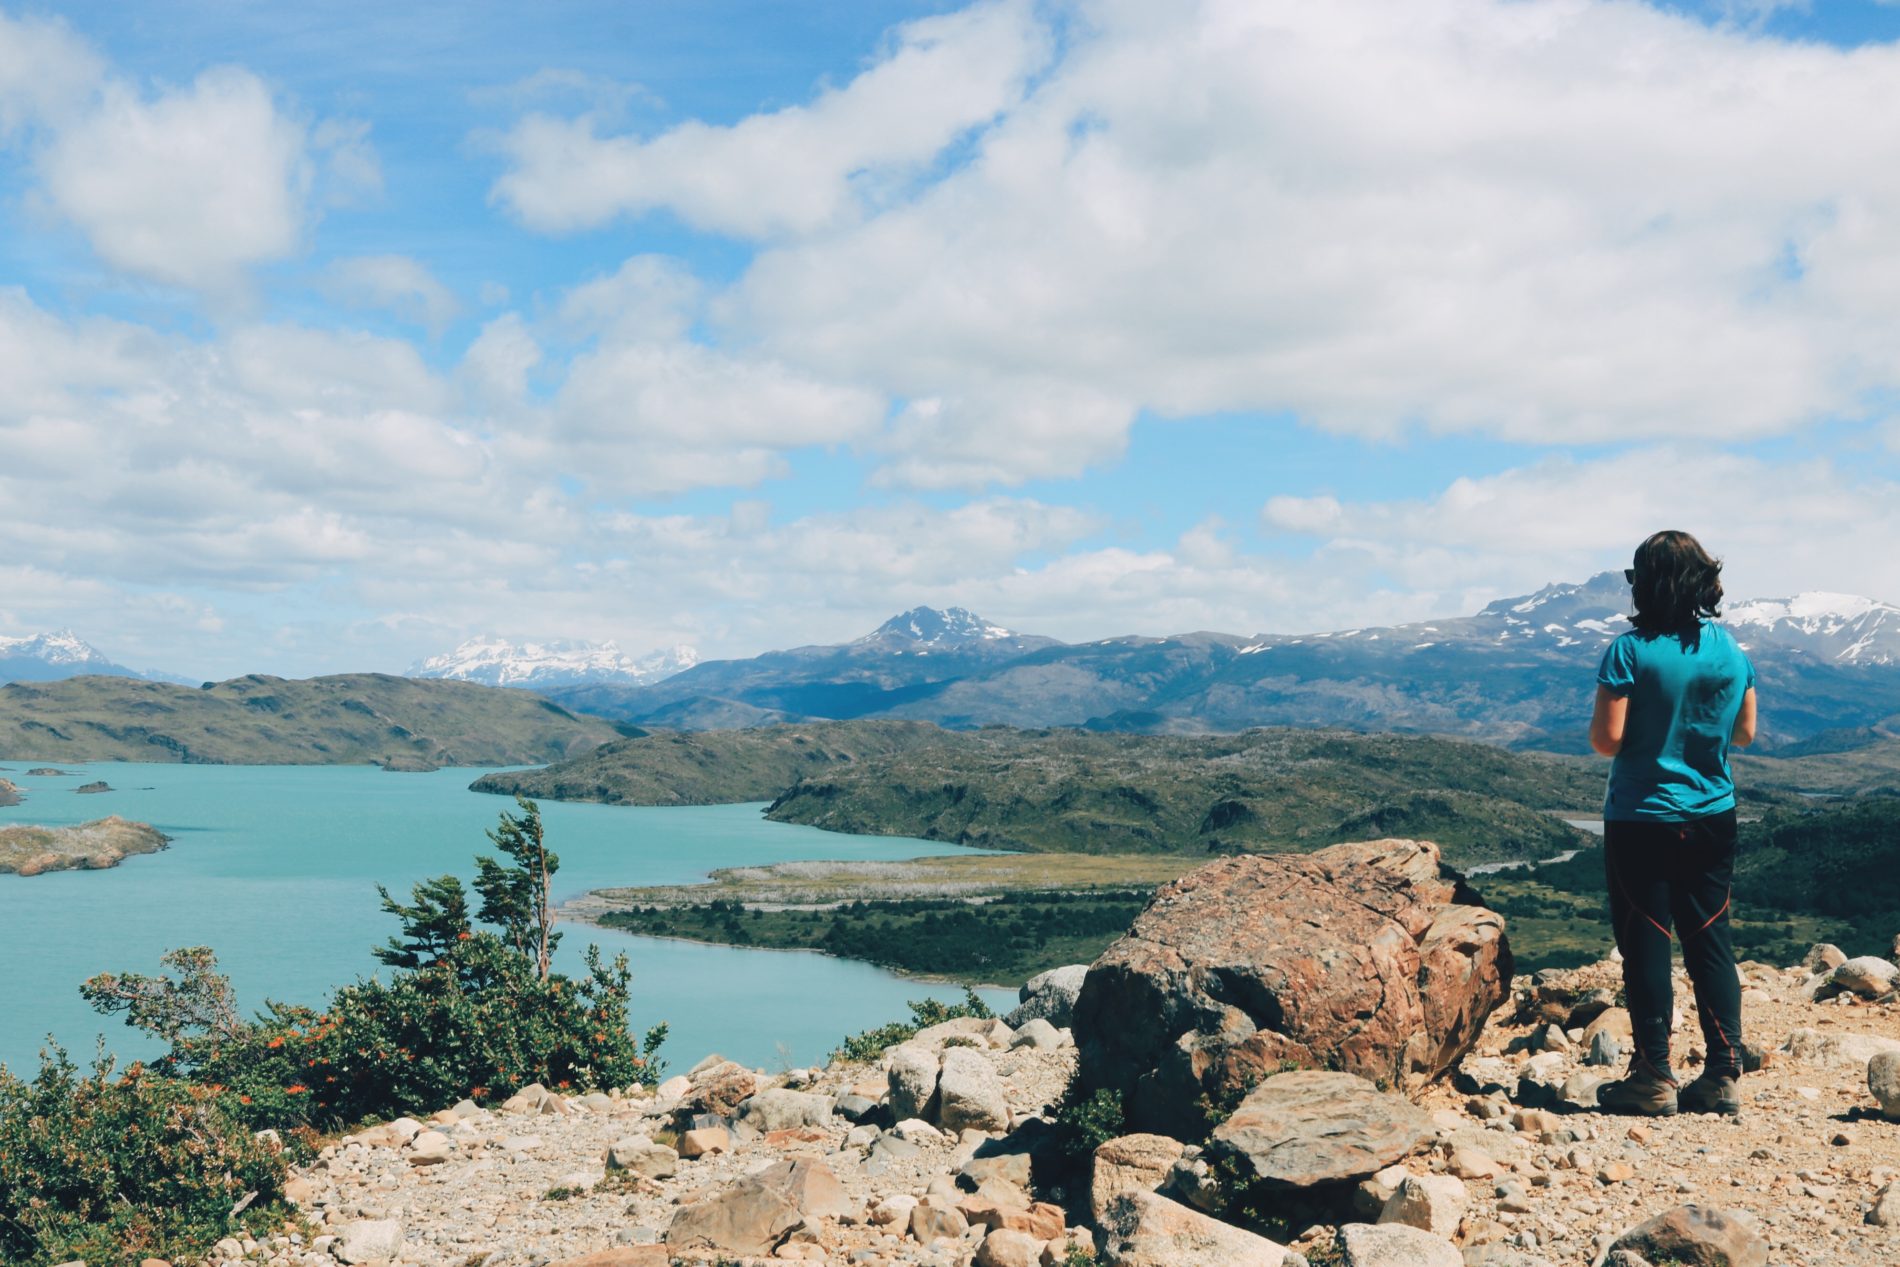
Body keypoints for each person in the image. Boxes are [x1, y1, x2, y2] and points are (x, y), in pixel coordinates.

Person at [1587, 530, 1757, 1117]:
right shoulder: (1732, 651)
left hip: (1643, 817)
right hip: (1714, 813)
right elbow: (1744, 733)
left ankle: (1653, 1076)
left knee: (1646, 942)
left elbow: (1607, 741)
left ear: (1647, 584)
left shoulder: (1629, 651)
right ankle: (1722, 1074)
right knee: (1710, 938)